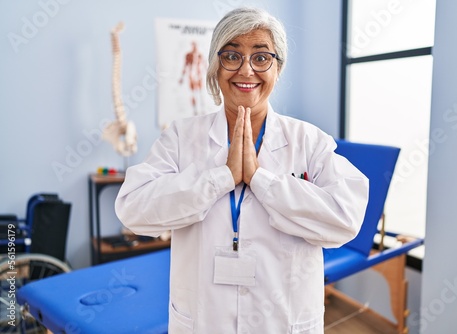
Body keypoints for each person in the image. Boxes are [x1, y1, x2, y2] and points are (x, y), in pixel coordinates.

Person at [115, 7, 369, 333]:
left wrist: (262, 181)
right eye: (232, 56)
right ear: (215, 66)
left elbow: (345, 220)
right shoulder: (181, 137)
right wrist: (221, 177)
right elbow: (132, 209)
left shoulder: (309, 141)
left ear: (278, 68)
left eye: (261, 57)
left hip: (283, 320)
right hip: (204, 320)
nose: (246, 70)